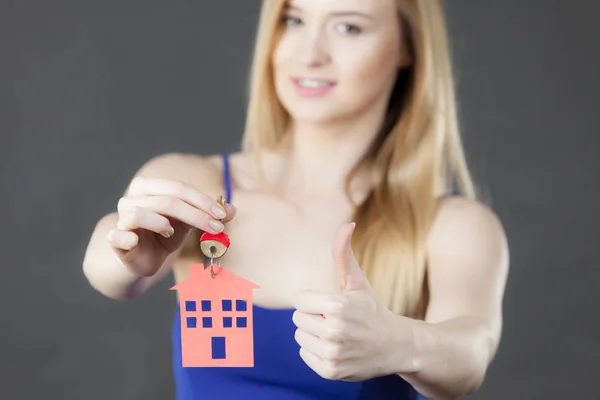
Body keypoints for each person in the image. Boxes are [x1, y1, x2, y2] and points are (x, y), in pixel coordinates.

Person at [82, 0, 509, 399]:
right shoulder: (202, 185)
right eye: (294, 19)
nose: (310, 55)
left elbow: (471, 352)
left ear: (408, 48)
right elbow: (106, 266)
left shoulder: (451, 224)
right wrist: (125, 251)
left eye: (348, 27)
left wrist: (398, 342)